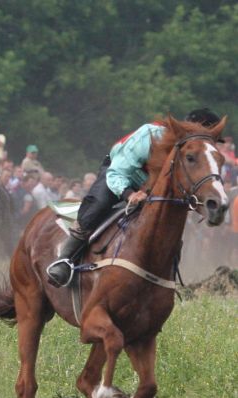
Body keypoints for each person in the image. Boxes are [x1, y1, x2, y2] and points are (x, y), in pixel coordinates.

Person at [46, 108, 223, 287]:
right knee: (98, 205)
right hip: (118, 173)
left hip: (152, 186)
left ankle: (165, 275)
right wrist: (130, 194)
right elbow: (117, 173)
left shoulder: (192, 156)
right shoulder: (150, 134)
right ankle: (65, 260)